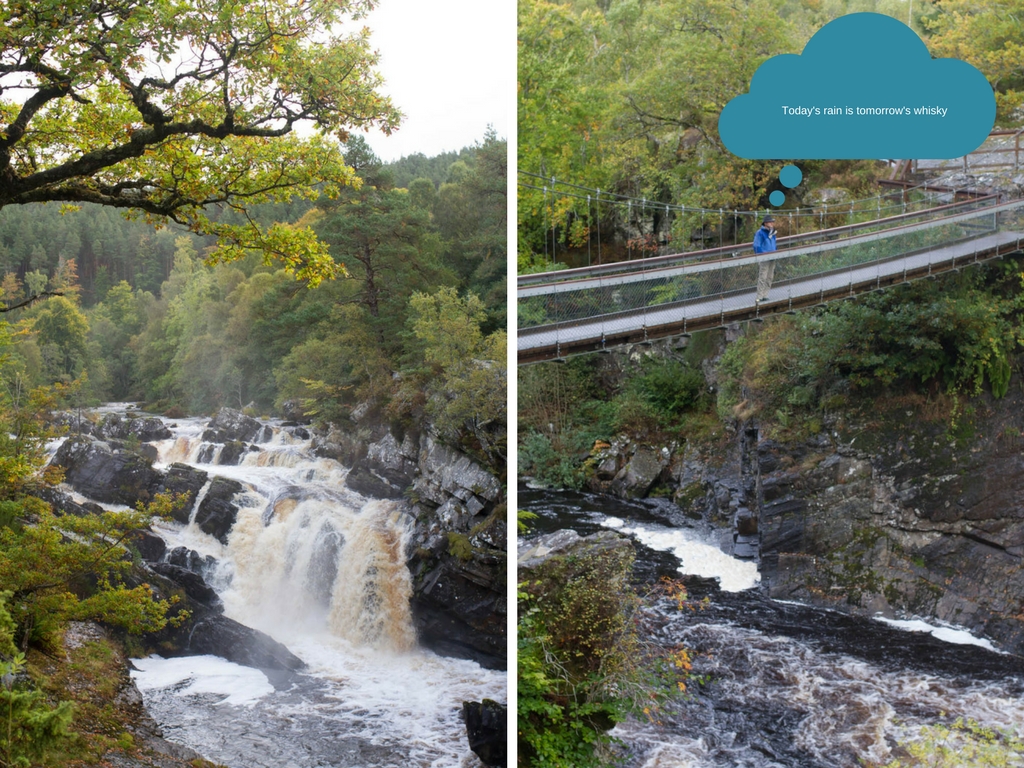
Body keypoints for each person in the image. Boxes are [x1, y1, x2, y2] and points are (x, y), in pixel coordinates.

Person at [753, 215, 777, 303]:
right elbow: (756, 245)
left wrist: (775, 252)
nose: (772, 223)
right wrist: (761, 255)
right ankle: (759, 296)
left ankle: (765, 294)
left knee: (770, 276)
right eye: (770, 222)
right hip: (765, 257)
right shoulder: (760, 233)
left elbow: (774, 244)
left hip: (773, 256)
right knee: (763, 276)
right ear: (766, 223)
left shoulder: (773, 232)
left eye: (772, 222)